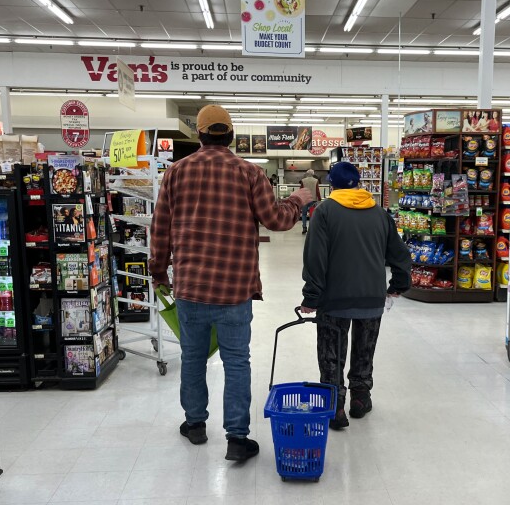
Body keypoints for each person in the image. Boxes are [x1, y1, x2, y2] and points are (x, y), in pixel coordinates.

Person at [149, 104, 313, 461]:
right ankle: (237, 437)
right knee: (237, 361)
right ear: (233, 136)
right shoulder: (249, 172)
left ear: (201, 135)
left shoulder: (176, 173)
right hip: (235, 288)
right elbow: (276, 220)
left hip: (191, 288)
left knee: (192, 357)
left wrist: (158, 272)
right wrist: (298, 200)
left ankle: (194, 424)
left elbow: (160, 230)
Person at [300, 161, 412, 429]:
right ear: (359, 182)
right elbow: (400, 254)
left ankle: (335, 406)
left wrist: (311, 297)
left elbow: (315, 258)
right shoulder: (379, 213)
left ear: (331, 184)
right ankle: (360, 399)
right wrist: (398, 284)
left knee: (331, 354)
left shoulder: (324, 211)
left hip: (333, 299)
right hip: (372, 299)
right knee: (365, 350)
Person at [299, 169, 321, 234]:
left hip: (305, 200)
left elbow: (301, 190)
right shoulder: (316, 180)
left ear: (307, 174)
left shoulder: (303, 180)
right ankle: (311, 228)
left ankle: (304, 227)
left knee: (304, 214)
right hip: (313, 200)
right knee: (312, 214)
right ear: (313, 174)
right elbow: (317, 190)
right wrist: (319, 199)